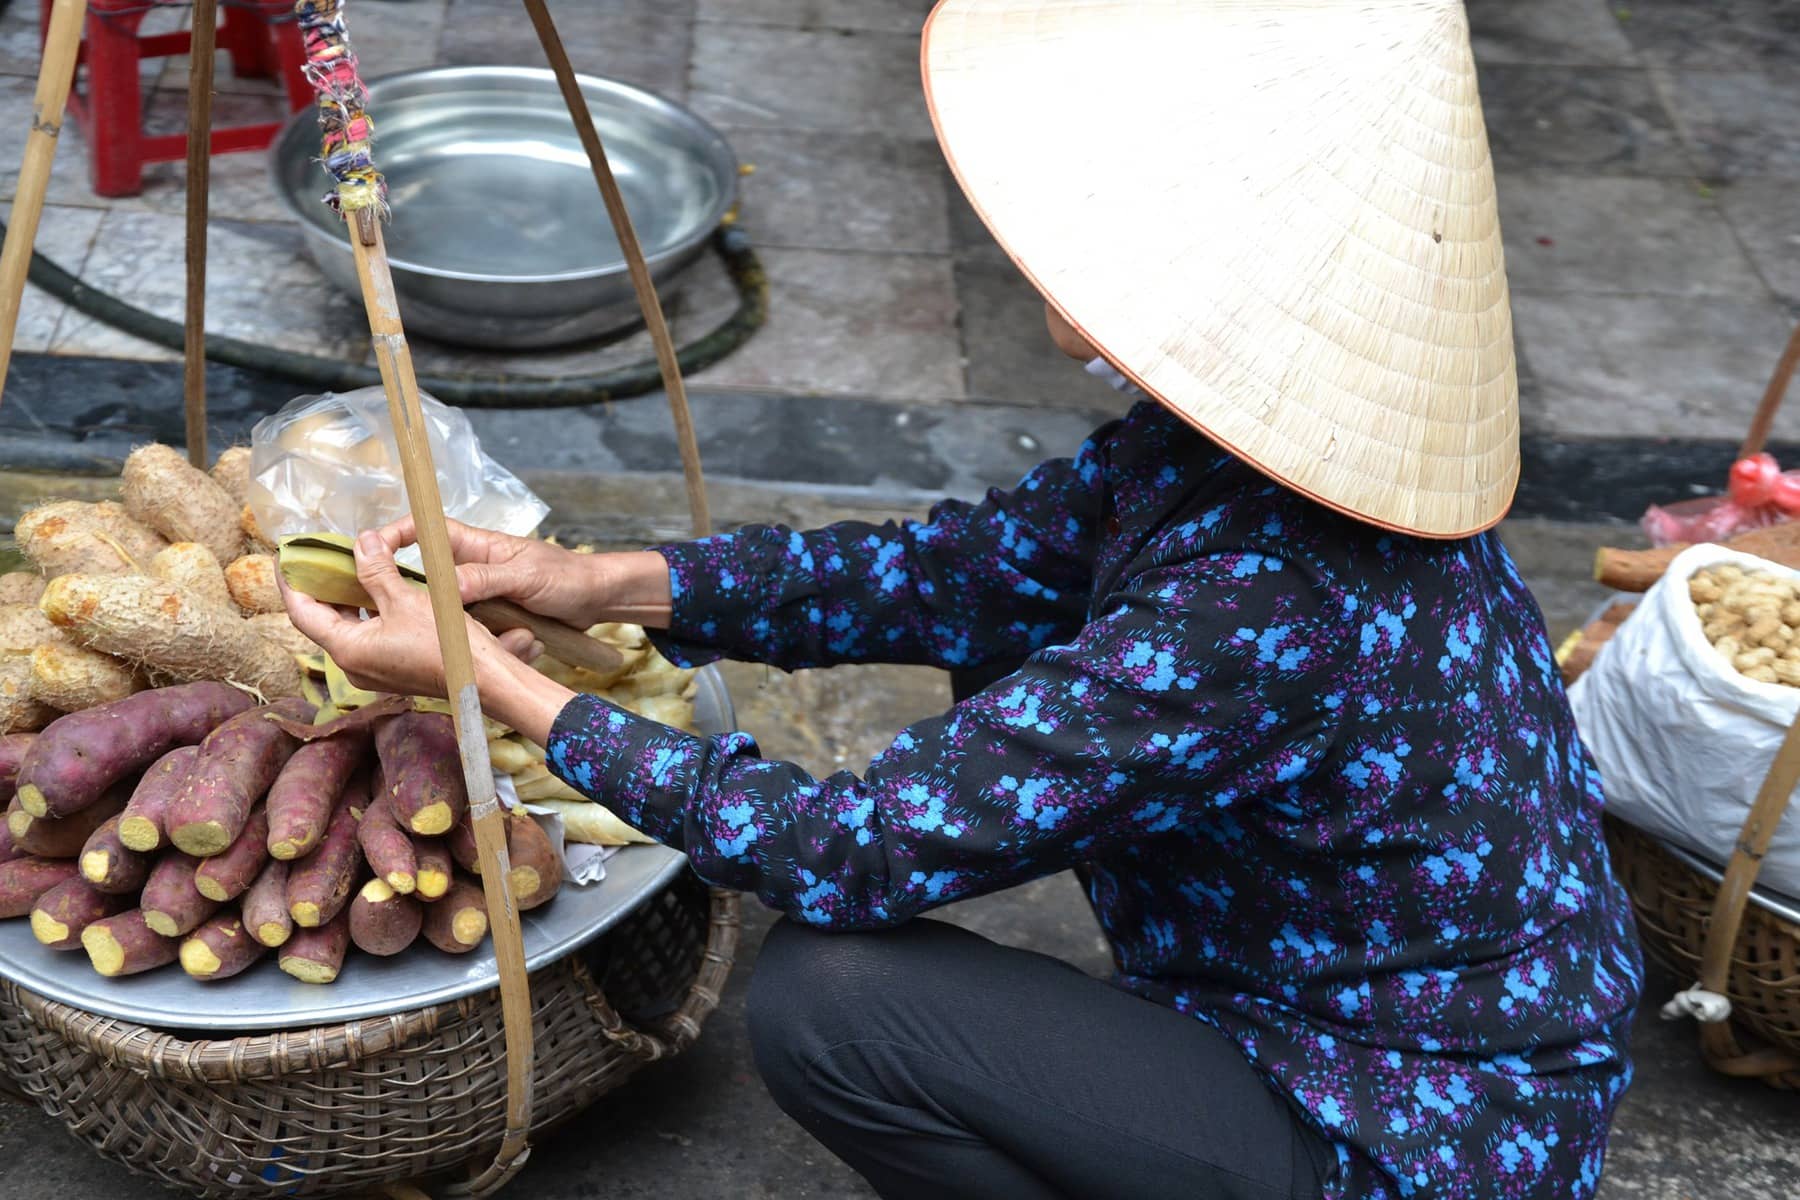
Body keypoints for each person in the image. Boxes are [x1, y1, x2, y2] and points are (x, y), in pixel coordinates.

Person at [283, 2, 1644, 1197]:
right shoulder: (1227, 444)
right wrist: (598, 582)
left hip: (1410, 1134)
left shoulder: (1263, 601)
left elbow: (846, 849)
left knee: (836, 1004)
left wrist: (504, 683)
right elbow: (960, 574)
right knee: (996, 646)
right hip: (1356, 1012)